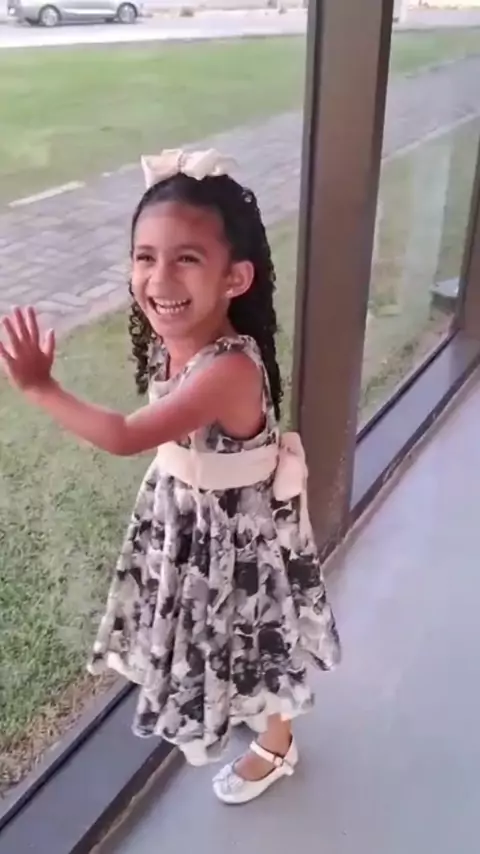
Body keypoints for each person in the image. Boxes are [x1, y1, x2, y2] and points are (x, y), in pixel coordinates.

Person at [0, 148, 341, 805]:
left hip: (234, 537)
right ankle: (256, 720)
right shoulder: (176, 341)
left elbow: (126, 435)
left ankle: (277, 744)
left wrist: (42, 388)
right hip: (192, 520)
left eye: (186, 258)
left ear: (235, 278)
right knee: (223, 637)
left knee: (254, 639)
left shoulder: (228, 369)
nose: (159, 278)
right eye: (145, 257)